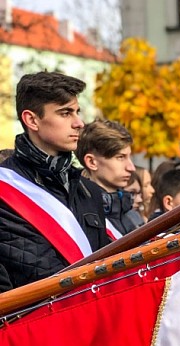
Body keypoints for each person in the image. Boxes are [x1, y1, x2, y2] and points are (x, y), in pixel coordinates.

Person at [0, 71, 111, 291]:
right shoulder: (5, 187)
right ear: (32, 120)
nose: (79, 123)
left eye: (77, 112)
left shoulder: (89, 191)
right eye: (65, 113)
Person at [76, 119, 144, 236]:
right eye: (120, 157)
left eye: (129, 157)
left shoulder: (133, 216)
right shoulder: (81, 217)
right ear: (92, 162)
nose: (131, 167)